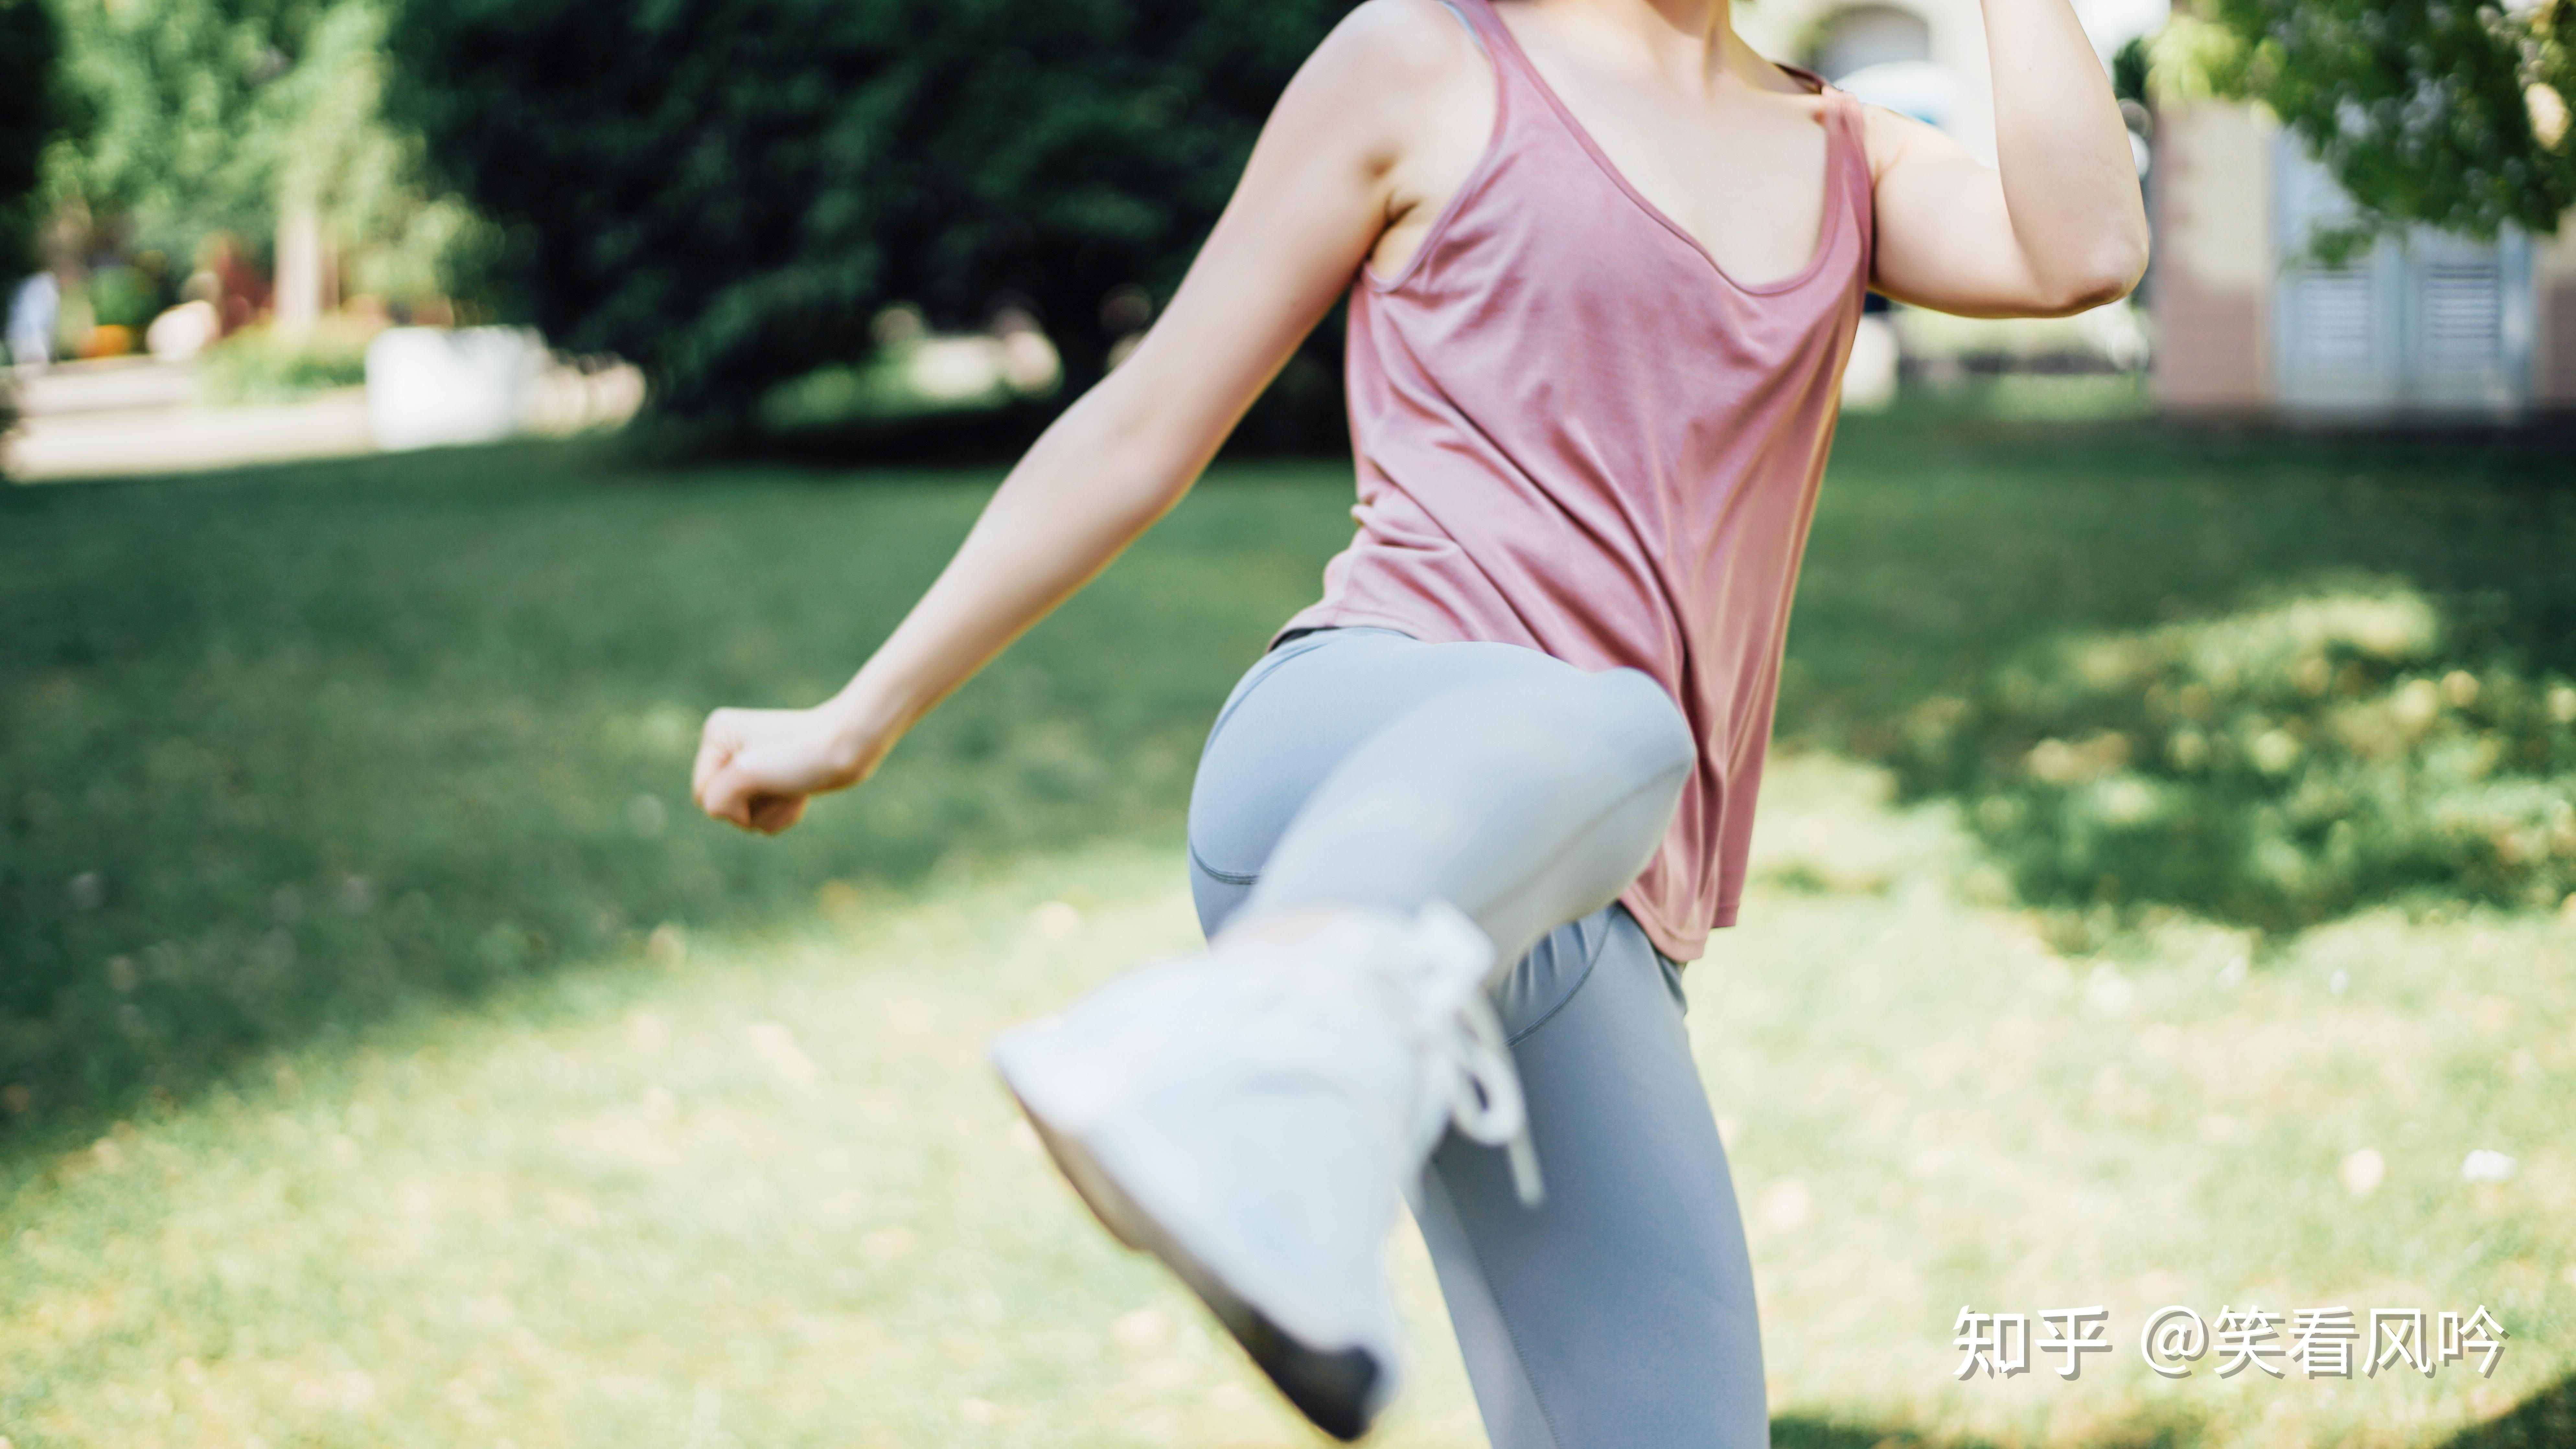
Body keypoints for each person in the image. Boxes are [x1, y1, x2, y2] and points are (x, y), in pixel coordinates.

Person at [691, 0, 2146, 1442]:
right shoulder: (1425, 60)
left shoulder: (1848, 156)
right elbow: (1143, 425)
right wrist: (856, 716)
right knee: (1620, 727)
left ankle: (1281, 1093)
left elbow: (2081, 250)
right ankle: (1244, 1061)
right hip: (1351, 741)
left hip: (1583, 899)